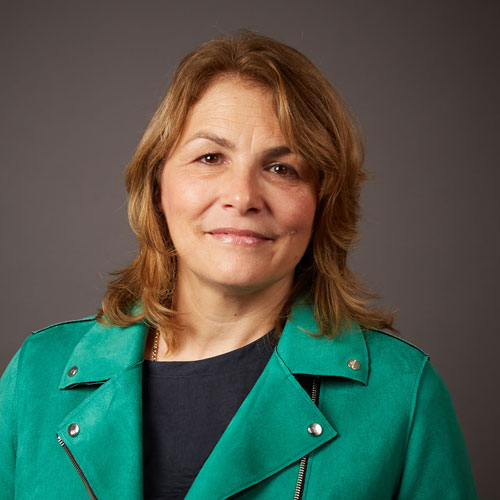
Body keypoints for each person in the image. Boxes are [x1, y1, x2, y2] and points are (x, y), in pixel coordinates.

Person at [0, 30, 477, 500]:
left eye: (282, 168)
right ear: (157, 186)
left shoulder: (402, 395)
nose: (243, 196)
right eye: (210, 157)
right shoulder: (36, 375)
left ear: (322, 202)